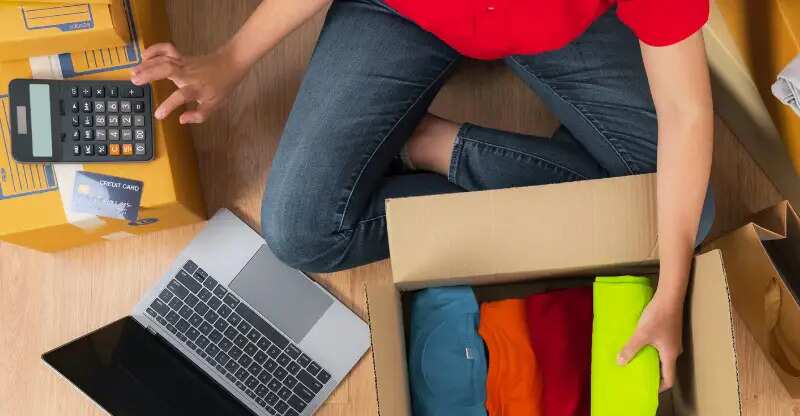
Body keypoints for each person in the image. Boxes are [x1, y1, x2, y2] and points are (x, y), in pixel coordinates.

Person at [131, 0, 715, 391]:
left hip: (561, 32)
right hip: (402, 13)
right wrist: (232, 58)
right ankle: (537, 177)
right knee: (302, 230)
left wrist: (670, 290)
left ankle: (440, 146)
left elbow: (685, 111)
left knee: (692, 216)